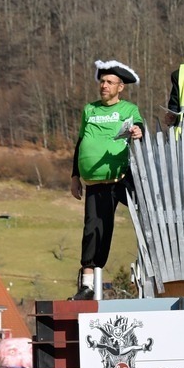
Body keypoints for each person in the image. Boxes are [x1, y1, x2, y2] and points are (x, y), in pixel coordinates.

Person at [69, 59, 144, 301]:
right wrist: (74, 176)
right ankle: (87, 285)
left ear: (120, 87)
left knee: (146, 214)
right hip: (94, 183)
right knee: (94, 230)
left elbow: (139, 127)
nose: (104, 86)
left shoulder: (128, 109)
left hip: (120, 177)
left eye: (109, 82)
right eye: (102, 81)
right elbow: (80, 143)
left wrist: (138, 131)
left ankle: (156, 266)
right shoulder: (89, 110)